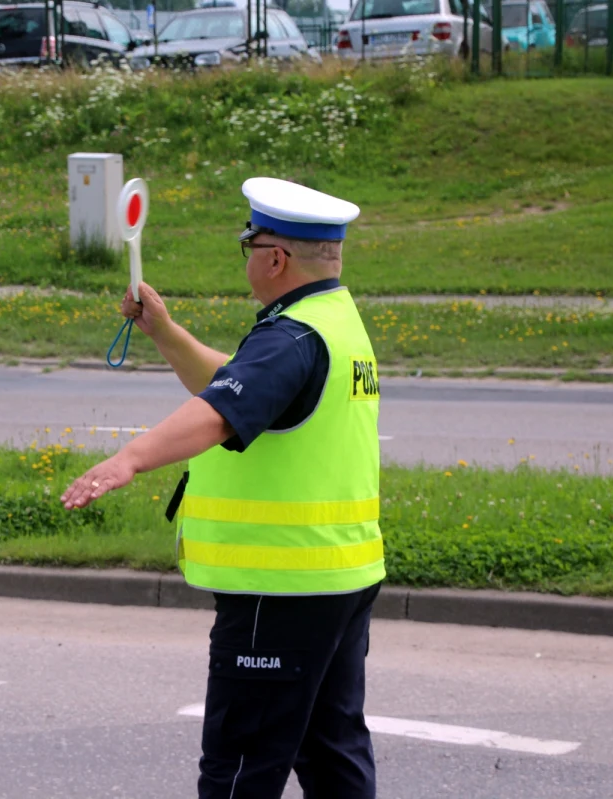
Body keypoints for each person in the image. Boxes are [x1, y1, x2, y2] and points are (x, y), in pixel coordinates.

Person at [61, 177, 384, 799]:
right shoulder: (332, 322)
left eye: (249, 245)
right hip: (339, 576)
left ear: (275, 257)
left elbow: (220, 411)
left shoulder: (291, 336)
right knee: (332, 753)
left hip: (279, 588)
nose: (248, 259)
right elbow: (239, 386)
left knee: (241, 769)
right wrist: (164, 331)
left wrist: (128, 459)